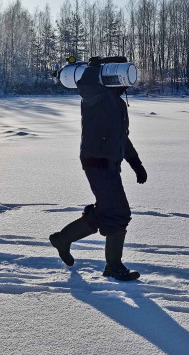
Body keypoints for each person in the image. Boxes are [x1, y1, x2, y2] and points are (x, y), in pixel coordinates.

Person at [49, 55, 147, 281]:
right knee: (118, 212)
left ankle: (63, 239)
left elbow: (122, 138)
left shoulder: (117, 102)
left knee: (107, 210)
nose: (124, 81)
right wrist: (95, 66)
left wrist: (136, 164)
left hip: (109, 161)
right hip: (97, 161)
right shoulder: (96, 96)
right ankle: (113, 266)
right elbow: (86, 84)